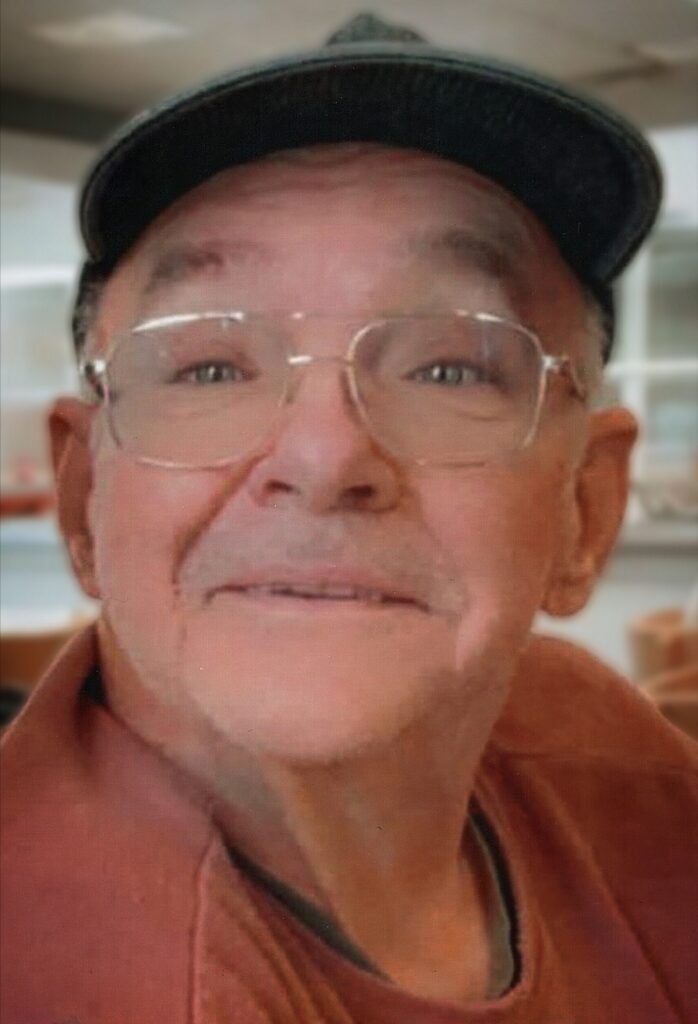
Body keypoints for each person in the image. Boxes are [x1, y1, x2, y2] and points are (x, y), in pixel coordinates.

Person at [1, 13, 696, 1024]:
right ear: (83, 502)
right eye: (209, 368)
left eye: (448, 368)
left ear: (582, 509)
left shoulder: (596, 744)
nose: (323, 457)